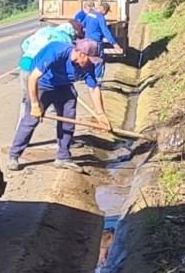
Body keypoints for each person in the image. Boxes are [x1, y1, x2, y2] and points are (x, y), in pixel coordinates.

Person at [8, 38, 111, 172]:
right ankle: (14, 155)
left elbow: (93, 88)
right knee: (30, 120)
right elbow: (33, 78)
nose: (91, 63)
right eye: (90, 59)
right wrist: (34, 104)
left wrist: (101, 115)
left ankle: (63, 157)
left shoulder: (88, 66)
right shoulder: (56, 51)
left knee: (68, 120)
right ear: (81, 54)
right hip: (43, 85)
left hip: (64, 87)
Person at [15, 19, 84, 127]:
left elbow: (25, 45)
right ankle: (60, 132)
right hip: (41, 72)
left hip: (25, 65)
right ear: (74, 32)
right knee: (54, 102)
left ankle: (21, 129)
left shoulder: (44, 30)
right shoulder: (65, 40)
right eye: (76, 36)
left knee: (27, 100)